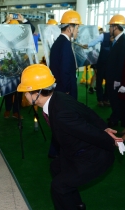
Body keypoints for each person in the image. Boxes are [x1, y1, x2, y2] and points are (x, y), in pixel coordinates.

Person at [17, 64, 122, 210]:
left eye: (25, 92)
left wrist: (110, 139)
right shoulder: (57, 97)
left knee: (59, 186)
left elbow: (89, 132)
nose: (24, 95)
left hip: (93, 155)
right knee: (56, 168)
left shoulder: (60, 114)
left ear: (36, 93)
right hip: (75, 150)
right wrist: (104, 127)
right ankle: (77, 205)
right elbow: (86, 111)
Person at [48, 10, 82, 158]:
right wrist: (67, 90)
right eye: (77, 27)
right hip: (65, 90)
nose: (78, 30)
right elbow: (65, 71)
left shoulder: (59, 43)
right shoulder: (65, 45)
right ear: (69, 28)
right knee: (65, 124)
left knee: (60, 123)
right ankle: (59, 152)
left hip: (59, 89)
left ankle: (56, 151)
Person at [2, 13, 35, 119]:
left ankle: (16, 111)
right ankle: (7, 110)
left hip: (20, 65)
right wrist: (6, 22)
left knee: (18, 90)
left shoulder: (22, 35)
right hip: (8, 63)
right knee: (8, 89)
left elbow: (32, 29)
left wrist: (23, 20)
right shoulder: (5, 36)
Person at [105, 14, 125, 127]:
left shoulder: (123, 42)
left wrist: (117, 80)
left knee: (115, 100)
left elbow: (122, 63)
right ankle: (115, 116)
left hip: (116, 78)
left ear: (115, 27)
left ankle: (115, 119)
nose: (109, 29)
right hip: (112, 77)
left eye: (110, 27)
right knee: (113, 99)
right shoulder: (118, 40)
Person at [83, 27, 112, 107]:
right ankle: (100, 100)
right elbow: (95, 41)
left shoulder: (118, 38)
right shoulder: (103, 35)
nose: (111, 28)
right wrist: (88, 45)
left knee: (109, 82)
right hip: (101, 63)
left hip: (111, 64)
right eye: (111, 27)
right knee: (99, 81)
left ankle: (106, 99)